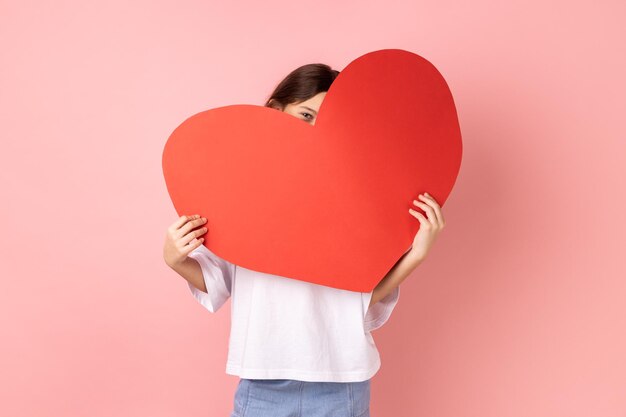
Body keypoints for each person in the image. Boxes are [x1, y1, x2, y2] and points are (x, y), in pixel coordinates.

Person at [163, 63, 446, 417]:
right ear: (275, 111)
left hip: (341, 379)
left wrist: (416, 255)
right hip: (262, 379)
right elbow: (220, 281)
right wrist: (175, 258)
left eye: (328, 123)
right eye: (306, 115)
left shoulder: (359, 202)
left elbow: (359, 297)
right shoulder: (240, 192)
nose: (314, 131)